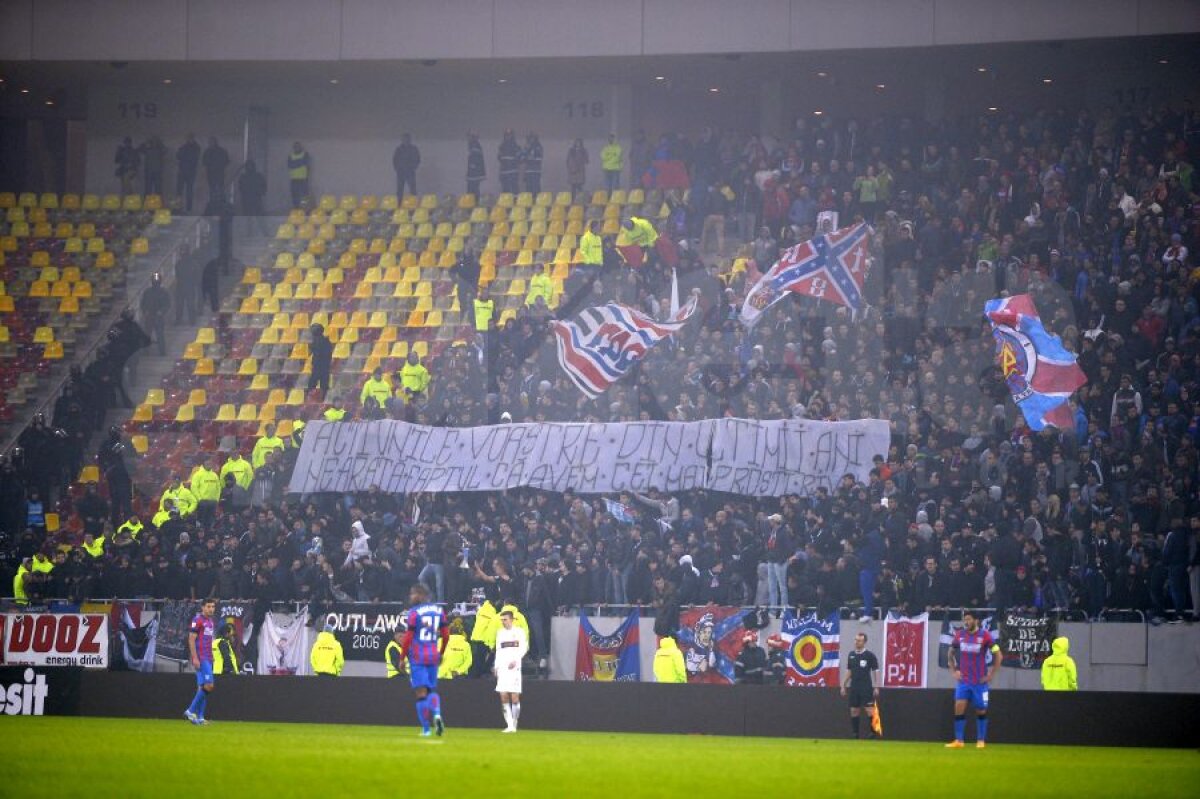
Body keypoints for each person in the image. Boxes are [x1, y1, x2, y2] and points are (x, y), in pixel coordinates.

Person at [399, 582, 448, 737]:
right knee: (432, 689)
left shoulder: (414, 612)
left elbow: (408, 637)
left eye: (413, 594)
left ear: (421, 595)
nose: (411, 597)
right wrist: (440, 652)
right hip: (433, 655)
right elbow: (446, 636)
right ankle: (438, 715)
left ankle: (426, 729)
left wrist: (402, 657)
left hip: (418, 656)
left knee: (421, 692)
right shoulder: (439, 611)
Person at [946, 610, 1001, 749]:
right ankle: (959, 740)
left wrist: (991, 675)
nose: (966, 622)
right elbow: (950, 653)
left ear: (976, 621)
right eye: (965, 619)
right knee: (958, 708)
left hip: (979, 682)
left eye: (969, 619)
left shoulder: (985, 636)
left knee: (981, 710)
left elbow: (998, 655)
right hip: (963, 681)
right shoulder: (960, 635)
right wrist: (953, 671)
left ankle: (981, 740)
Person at [494, 609, 529, 733]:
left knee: (514, 698)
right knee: (503, 696)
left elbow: (524, 648)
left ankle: (515, 723)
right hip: (503, 668)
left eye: (505, 619)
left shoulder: (519, 632)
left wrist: (516, 659)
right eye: (502, 620)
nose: (503, 622)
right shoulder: (500, 633)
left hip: (514, 668)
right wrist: (496, 666)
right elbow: (498, 650)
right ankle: (509, 725)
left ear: (512, 619)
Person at [183, 597, 216, 725]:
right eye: (208, 606)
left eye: (213, 607)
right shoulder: (197, 620)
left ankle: (201, 718)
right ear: (202, 607)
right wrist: (195, 657)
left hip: (208, 657)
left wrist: (212, 654)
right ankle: (190, 711)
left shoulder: (211, 622)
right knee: (209, 685)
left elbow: (208, 639)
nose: (211, 609)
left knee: (202, 687)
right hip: (201, 658)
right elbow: (191, 639)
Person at [841, 632, 880, 738]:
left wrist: (876, 686)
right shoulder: (851, 655)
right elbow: (849, 671)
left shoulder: (870, 655)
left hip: (866, 686)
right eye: (855, 640)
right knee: (854, 710)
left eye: (859, 640)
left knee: (869, 710)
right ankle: (855, 734)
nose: (856, 642)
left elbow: (875, 671)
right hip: (854, 686)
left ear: (864, 642)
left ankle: (873, 732)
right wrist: (843, 684)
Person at [139, 272, 171, 356]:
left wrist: (162, 312)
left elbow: (167, 304)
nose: (156, 283)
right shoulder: (147, 292)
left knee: (160, 335)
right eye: (154, 281)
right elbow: (142, 304)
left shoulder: (164, 292)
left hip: (158, 317)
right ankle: (145, 352)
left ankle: (162, 352)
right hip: (149, 317)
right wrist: (144, 311)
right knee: (147, 335)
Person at [237, 160, 268, 236]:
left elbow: (264, 186)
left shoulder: (257, 176)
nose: (249, 168)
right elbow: (240, 187)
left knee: (259, 217)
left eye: (250, 166)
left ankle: (264, 233)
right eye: (248, 166)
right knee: (249, 218)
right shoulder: (244, 177)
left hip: (254, 199)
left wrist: (261, 192)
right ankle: (250, 233)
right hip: (248, 200)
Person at [176, 133, 201, 212]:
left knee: (189, 191)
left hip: (190, 172)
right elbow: (178, 156)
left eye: (190, 138)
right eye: (187, 138)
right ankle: (178, 208)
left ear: (193, 139)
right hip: (182, 172)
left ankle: (188, 209)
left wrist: (184, 154)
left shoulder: (196, 148)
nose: (188, 140)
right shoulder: (184, 147)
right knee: (179, 191)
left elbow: (192, 158)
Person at [308, 323, 333, 398]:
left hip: (319, 366)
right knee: (323, 385)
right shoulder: (326, 341)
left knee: (313, 384)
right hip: (324, 366)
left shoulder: (318, 342)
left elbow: (317, 352)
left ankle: (313, 397)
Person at [202, 137, 230, 203]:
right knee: (212, 190)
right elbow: (204, 163)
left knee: (220, 189)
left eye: (212, 142)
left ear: (215, 142)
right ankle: (213, 204)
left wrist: (222, 168)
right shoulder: (207, 152)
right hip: (211, 174)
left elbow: (226, 161)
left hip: (219, 174)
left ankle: (222, 204)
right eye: (210, 142)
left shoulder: (221, 151)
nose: (210, 143)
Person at [287, 141, 311, 208]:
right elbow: (290, 165)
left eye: (298, 146)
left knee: (304, 196)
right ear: (293, 148)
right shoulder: (290, 155)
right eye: (295, 146)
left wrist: (295, 163)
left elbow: (305, 162)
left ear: (301, 147)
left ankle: (305, 209)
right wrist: (301, 162)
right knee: (295, 195)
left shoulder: (305, 154)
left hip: (303, 179)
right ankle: (296, 209)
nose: (297, 148)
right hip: (294, 179)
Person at [498, 130, 520, 194]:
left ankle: (516, 200)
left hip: (512, 171)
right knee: (505, 187)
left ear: (512, 136)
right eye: (506, 135)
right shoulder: (501, 146)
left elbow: (519, 158)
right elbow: (499, 157)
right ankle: (506, 201)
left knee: (514, 187)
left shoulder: (515, 146)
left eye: (509, 135)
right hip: (504, 171)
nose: (508, 137)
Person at [466, 133, 485, 198]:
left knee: (472, 189)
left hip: (474, 174)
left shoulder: (474, 146)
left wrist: (473, 166)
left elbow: (476, 159)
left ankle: (474, 202)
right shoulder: (474, 146)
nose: (468, 139)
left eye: (470, 137)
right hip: (473, 173)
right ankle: (473, 201)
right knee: (473, 188)